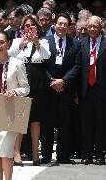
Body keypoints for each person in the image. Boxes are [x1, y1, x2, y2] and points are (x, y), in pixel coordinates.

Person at [0, 31, 30, 180]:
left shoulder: (18, 63)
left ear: (8, 44)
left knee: (6, 152)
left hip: (11, 111)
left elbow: (26, 88)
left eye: (2, 42)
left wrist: (14, 92)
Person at [8, 14, 51, 166]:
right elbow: (9, 55)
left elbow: (47, 55)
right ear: (22, 28)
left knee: (35, 121)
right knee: (20, 120)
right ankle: (16, 152)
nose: (29, 28)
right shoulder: (16, 41)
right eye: (27, 25)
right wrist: (22, 43)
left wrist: (36, 42)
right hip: (21, 84)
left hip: (38, 85)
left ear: (37, 28)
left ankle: (35, 153)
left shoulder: (43, 41)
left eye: (32, 25)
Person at [41, 13, 80, 164]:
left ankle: (63, 155)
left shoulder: (74, 43)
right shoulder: (45, 41)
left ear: (69, 26)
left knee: (65, 122)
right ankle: (46, 154)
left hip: (66, 88)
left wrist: (63, 81)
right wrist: (52, 81)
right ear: (54, 24)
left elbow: (77, 66)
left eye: (65, 24)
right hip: (49, 88)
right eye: (59, 23)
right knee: (47, 123)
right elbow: (41, 64)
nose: (62, 27)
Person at [78, 15, 106, 165]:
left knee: (101, 123)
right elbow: (77, 67)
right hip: (85, 90)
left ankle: (100, 154)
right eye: (90, 26)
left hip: (102, 90)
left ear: (101, 27)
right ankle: (87, 153)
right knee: (86, 123)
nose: (92, 29)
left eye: (95, 26)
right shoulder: (81, 43)